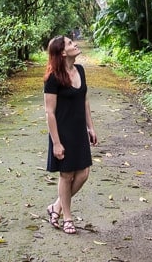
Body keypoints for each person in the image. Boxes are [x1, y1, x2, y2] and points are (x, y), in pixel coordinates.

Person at [43, 35, 97, 234]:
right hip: (62, 132)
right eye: (70, 43)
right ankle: (67, 218)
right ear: (63, 52)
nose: (75, 44)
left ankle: (55, 207)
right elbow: (49, 112)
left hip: (79, 131)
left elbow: (84, 101)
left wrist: (90, 127)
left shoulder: (80, 70)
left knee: (83, 174)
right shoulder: (53, 78)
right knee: (66, 175)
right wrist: (56, 142)